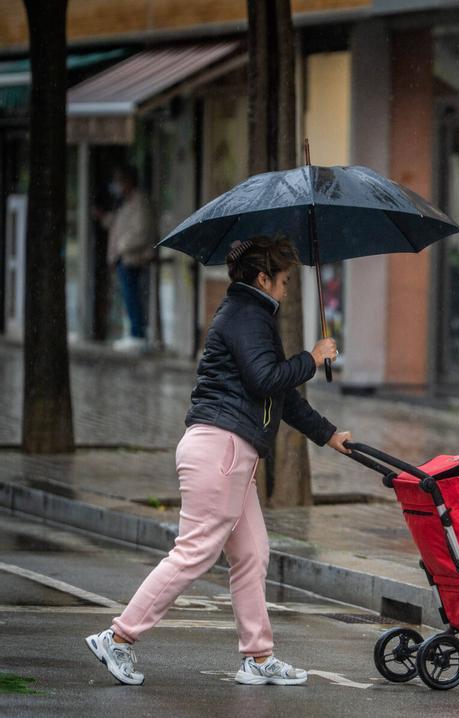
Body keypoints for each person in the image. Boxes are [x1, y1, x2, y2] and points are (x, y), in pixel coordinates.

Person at [86, 235, 352, 687]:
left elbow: (281, 394)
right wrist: (312, 357)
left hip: (230, 452)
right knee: (193, 553)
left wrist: (328, 435)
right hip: (222, 448)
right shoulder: (246, 316)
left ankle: (258, 657)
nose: (287, 289)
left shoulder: (253, 315)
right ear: (263, 278)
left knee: (251, 554)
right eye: (284, 280)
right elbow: (267, 377)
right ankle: (119, 637)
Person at [96, 165, 157, 352]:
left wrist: (121, 248)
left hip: (132, 258)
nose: (117, 186)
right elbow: (118, 225)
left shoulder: (139, 202)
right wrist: (104, 218)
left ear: (129, 182)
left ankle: (137, 334)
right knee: (128, 296)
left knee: (133, 297)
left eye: (120, 181)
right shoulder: (125, 202)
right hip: (124, 258)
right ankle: (134, 332)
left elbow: (141, 232)